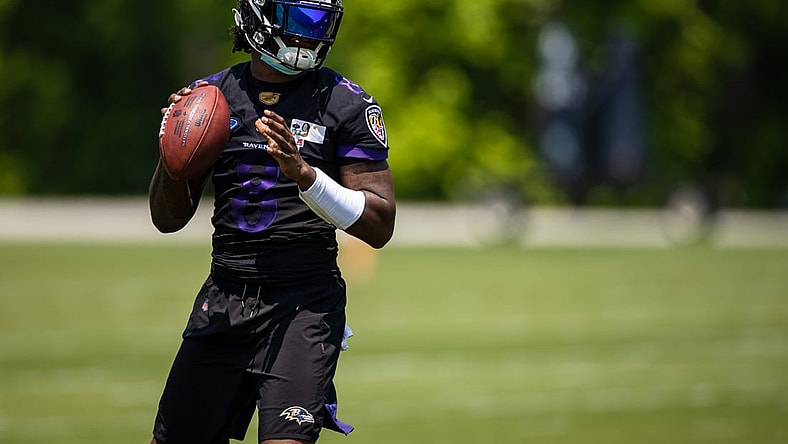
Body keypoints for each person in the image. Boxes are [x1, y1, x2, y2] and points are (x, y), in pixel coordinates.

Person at [147, 0, 396, 443]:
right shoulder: (210, 97)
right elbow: (168, 220)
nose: (312, 33)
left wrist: (306, 178)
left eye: (321, 20)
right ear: (259, 17)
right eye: (301, 19)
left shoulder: (345, 103)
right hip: (224, 298)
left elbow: (379, 226)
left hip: (303, 304)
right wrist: (172, 157)